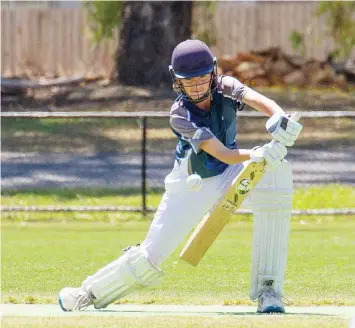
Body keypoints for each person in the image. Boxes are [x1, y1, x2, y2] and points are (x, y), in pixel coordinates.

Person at [58, 39, 302, 313]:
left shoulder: (226, 85)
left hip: (231, 171)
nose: (197, 87)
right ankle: (88, 293)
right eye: (189, 81)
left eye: (201, 79)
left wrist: (281, 120)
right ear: (178, 81)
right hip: (192, 183)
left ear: (212, 72)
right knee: (149, 257)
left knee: (276, 173)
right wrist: (257, 153)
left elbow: (260, 100)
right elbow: (223, 153)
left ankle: (269, 292)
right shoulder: (180, 114)